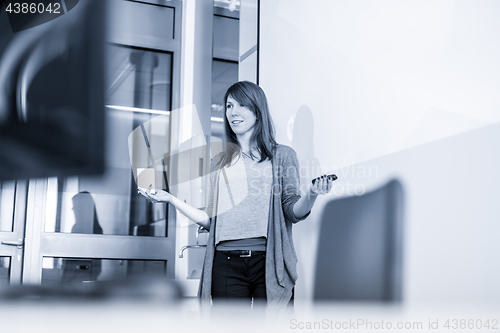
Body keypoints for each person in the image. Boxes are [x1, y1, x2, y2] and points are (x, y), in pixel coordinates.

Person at [139, 81, 333, 309]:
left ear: (257, 111)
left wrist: (311, 194)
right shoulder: (220, 161)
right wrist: (170, 199)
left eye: (242, 105)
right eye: (229, 106)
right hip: (225, 263)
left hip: (267, 262)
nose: (233, 112)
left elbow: (291, 211)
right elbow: (212, 220)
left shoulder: (282, 155)